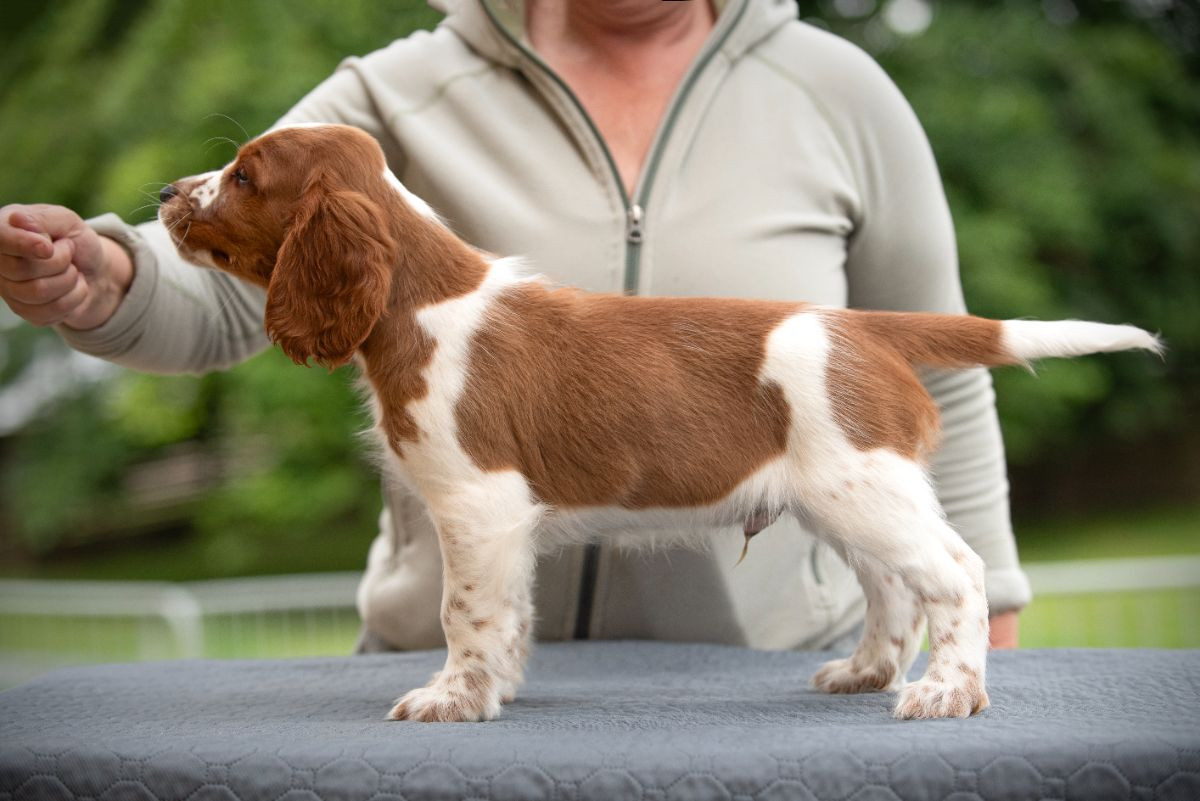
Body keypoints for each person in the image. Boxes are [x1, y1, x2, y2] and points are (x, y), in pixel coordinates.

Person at [0, 0, 1026, 653]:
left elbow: (936, 367)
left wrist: (997, 602)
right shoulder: (389, 95)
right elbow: (229, 289)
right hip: (438, 687)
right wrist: (105, 277)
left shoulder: (843, 93)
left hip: (756, 684)